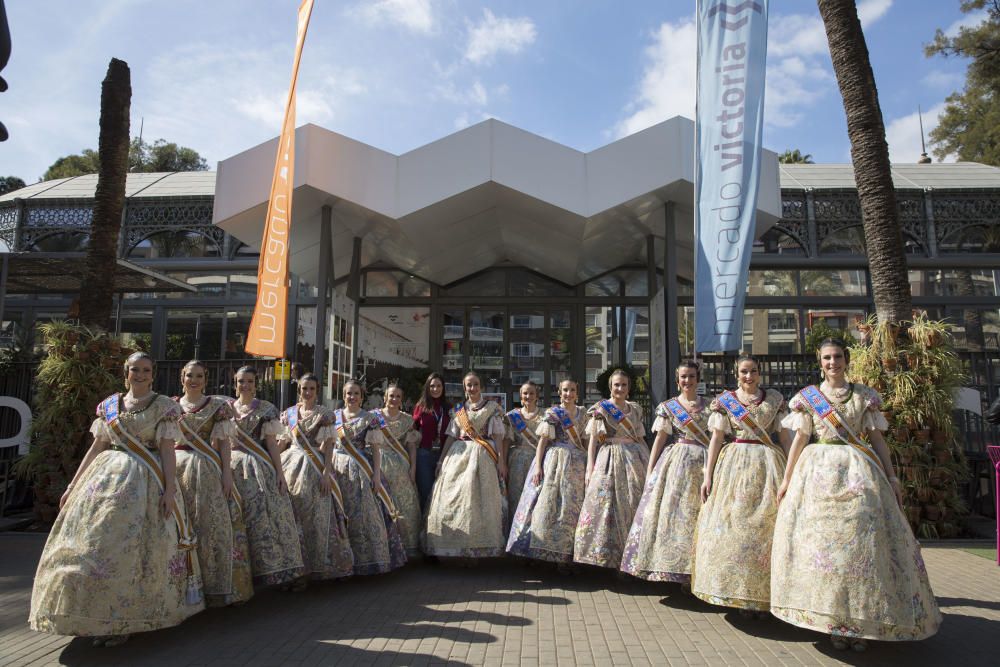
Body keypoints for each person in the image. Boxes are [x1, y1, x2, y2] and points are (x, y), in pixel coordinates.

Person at [771, 338, 941, 650]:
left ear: (846, 360)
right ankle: (834, 623)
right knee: (826, 553)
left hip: (858, 473)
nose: (832, 362)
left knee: (863, 551)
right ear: (819, 362)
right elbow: (800, 439)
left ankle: (863, 621)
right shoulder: (808, 398)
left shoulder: (864, 397)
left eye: (837, 357)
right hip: (817, 475)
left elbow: (877, 440)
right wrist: (786, 479)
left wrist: (891, 476)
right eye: (826, 358)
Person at [30, 352, 204, 646]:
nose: (140, 374)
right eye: (135, 369)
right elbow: (97, 446)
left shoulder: (164, 407)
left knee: (131, 552)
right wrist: (73, 484)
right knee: (90, 548)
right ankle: (93, 618)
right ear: (126, 372)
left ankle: (124, 622)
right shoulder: (109, 406)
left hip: (144, 484)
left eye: (146, 370)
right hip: (102, 481)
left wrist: (170, 489)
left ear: (153, 374)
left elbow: (166, 450)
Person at [691, 354, 790, 614]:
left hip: (768, 462)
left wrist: (794, 467)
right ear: (737, 374)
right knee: (734, 527)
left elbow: (784, 436)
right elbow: (716, 439)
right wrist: (708, 474)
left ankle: (764, 593)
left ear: (760, 373)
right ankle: (736, 592)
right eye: (744, 371)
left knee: (765, 527)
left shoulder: (774, 400)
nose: (749, 376)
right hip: (734, 463)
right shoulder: (725, 402)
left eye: (754, 371)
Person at [621, 360, 710, 584]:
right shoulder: (669, 407)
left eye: (691, 376)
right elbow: (660, 439)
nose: (687, 380)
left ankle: (698, 570)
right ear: (677, 380)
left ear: (697, 378)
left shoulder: (711, 406)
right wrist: (651, 470)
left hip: (704, 461)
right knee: (675, 514)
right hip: (677, 463)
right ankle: (675, 569)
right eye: (683, 377)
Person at [174, 360, 254, 607]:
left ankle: (215, 586)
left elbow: (223, 445)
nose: (194, 380)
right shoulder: (170, 406)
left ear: (205, 380)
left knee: (211, 525)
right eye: (190, 375)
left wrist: (227, 475)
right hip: (176, 468)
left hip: (206, 470)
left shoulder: (218, 407)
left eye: (199, 376)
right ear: (182, 377)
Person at [229, 366, 304, 587]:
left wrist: (279, 472)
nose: (245, 385)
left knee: (262, 516)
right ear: (236, 383)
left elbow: (271, 443)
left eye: (250, 381)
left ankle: (270, 569)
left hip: (257, 467)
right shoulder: (225, 409)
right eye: (242, 381)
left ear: (256, 384)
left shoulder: (266, 409)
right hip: (231, 465)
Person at [278, 373, 354, 586]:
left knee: (318, 519)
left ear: (317, 390)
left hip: (315, 470)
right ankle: (297, 571)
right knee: (295, 518)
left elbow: (329, 445)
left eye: (311, 388)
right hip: (290, 466)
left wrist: (326, 473)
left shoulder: (325, 415)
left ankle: (323, 567)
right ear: (299, 390)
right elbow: (283, 441)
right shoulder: (289, 414)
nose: (307, 392)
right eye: (304, 388)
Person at [424, 371, 508, 558]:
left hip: (483, 456)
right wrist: (441, 460)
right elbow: (451, 436)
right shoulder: (458, 411)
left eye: (475, 384)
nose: (472, 388)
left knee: (480, 501)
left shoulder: (492, 408)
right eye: (469, 385)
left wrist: (501, 461)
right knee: (453, 499)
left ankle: (478, 548)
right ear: (464, 388)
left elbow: (498, 436)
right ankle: (457, 548)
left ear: (482, 387)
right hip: (458, 455)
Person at [507, 378, 588, 567]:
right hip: (554, 461)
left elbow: (584, 442)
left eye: (572, 390)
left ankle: (568, 557)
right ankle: (540, 552)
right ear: (559, 393)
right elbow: (543, 442)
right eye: (565, 390)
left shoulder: (584, 414)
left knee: (571, 508)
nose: (568, 393)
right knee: (547, 506)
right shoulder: (553, 413)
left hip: (576, 463)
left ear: (577, 393)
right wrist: (538, 466)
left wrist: (588, 464)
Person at [574, 369, 649, 569]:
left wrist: (650, 461)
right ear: (610, 387)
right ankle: (606, 557)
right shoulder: (602, 409)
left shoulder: (635, 409)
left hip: (634, 459)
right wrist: (590, 467)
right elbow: (592, 441)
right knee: (605, 505)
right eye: (616, 385)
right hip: (609, 457)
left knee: (632, 503)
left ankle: (630, 557)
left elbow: (640, 437)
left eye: (624, 385)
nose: (620, 388)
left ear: (629, 388)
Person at [333, 380, 407, 574]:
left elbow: (375, 450)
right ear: (343, 395)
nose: (352, 397)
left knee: (362, 515)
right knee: (339, 514)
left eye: (356, 393)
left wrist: (375, 475)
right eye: (349, 393)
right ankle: (342, 563)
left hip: (361, 472)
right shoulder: (334, 418)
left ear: (362, 397)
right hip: (337, 468)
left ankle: (365, 561)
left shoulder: (370, 419)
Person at [366, 382, 422, 556]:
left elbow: (411, 446)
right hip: (377, 463)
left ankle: (405, 545)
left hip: (400, 467)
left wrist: (413, 468)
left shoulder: (407, 420)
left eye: (398, 396)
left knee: (404, 504)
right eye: (391, 396)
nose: (394, 399)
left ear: (401, 399)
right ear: (385, 397)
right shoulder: (373, 417)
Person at [504, 381, 546, 516]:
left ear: (537, 396)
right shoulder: (512, 416)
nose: (528, 396)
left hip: (539, 460)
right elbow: (506, 442)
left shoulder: (546, 415)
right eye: (525, 393)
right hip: (516, 461)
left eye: (532, 393)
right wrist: (503, 463)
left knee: (537, 496)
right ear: (520, 396)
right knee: (516, 495)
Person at [412, 373, 450, 511]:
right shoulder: (420, 407)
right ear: (427, 388)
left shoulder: (448, 408)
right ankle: (424, 528)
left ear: (443, 388)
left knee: (443, 492)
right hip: (424, 455)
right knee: (426, 492)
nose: (435, 389)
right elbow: (412, 430)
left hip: (445, 455)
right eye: (432, 386)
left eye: (439, 386)